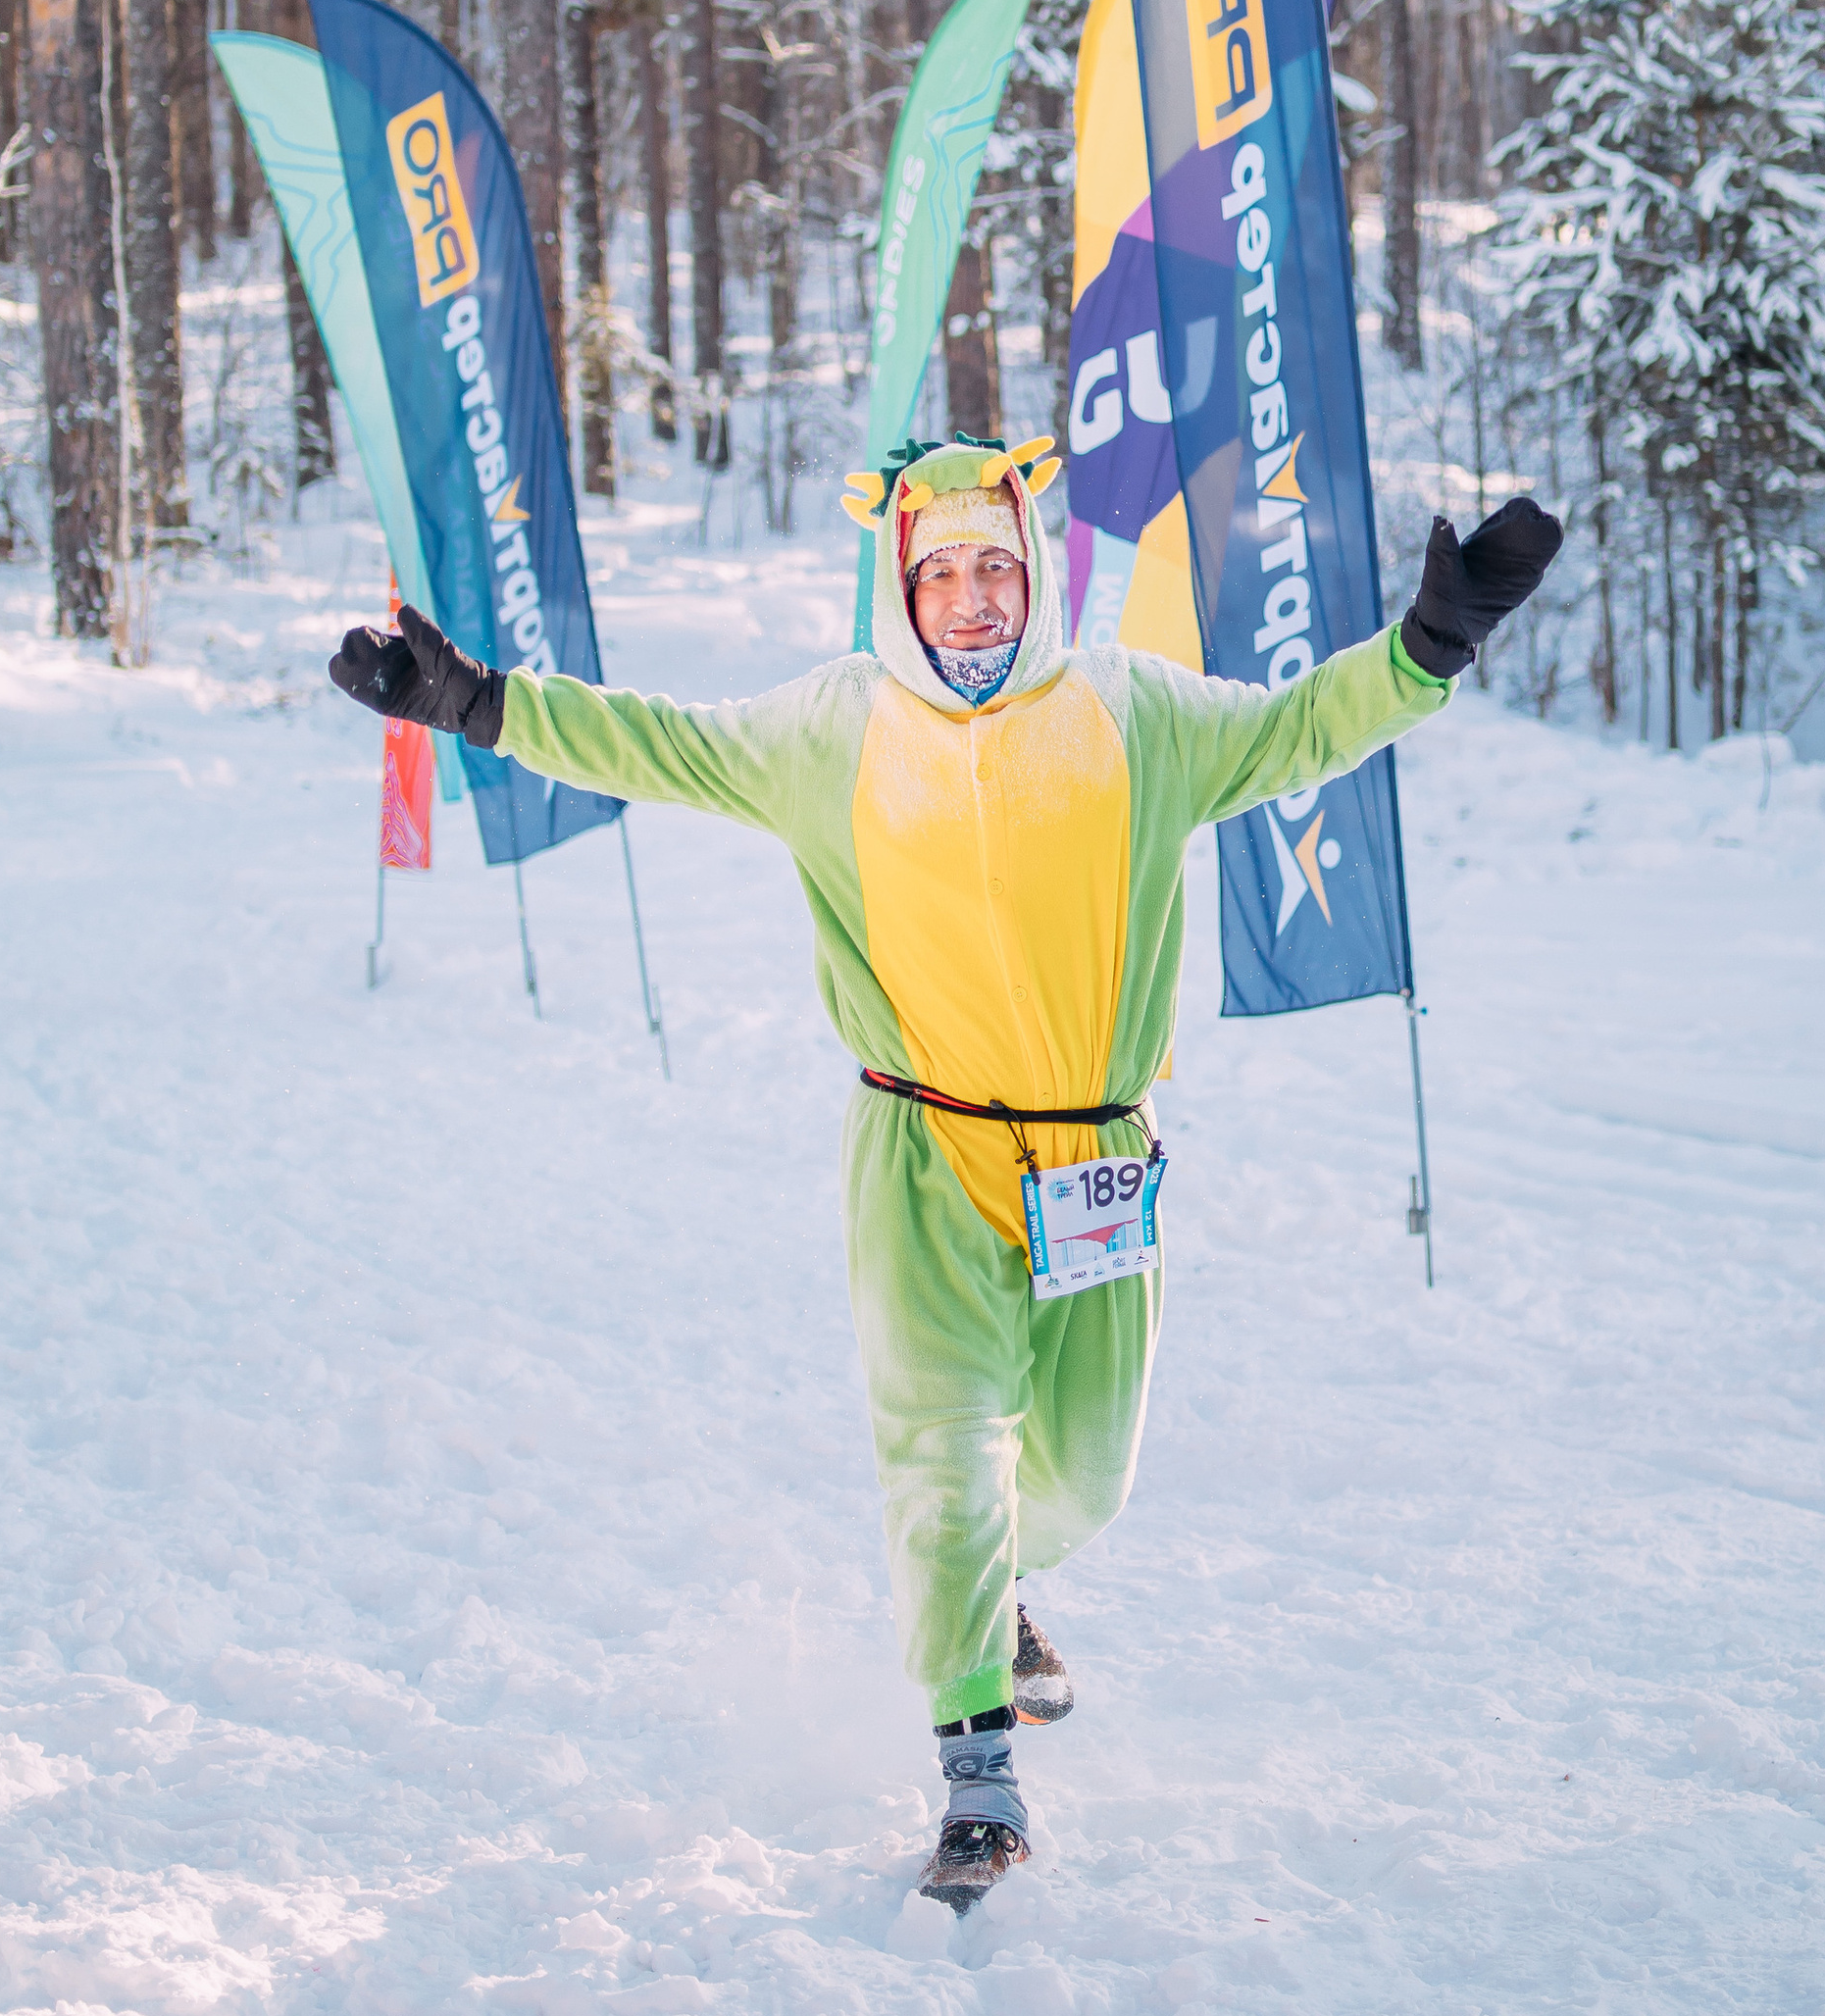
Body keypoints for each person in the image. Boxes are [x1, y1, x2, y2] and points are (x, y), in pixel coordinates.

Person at [330, 439, 1560, 1908]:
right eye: (939, 572)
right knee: (946, 1460)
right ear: (899, 583)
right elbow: (648, 740)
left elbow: (1305, 729)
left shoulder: (1131, 712)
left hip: (1097, 1166)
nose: (970, 600)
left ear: (1032, 574)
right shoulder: (832, 730)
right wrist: (471, 704)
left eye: (995, 568)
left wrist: (1432, 644)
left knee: (1084, 1475)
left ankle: (1001, 1586)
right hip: (919, 1155)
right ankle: (980, 1783)